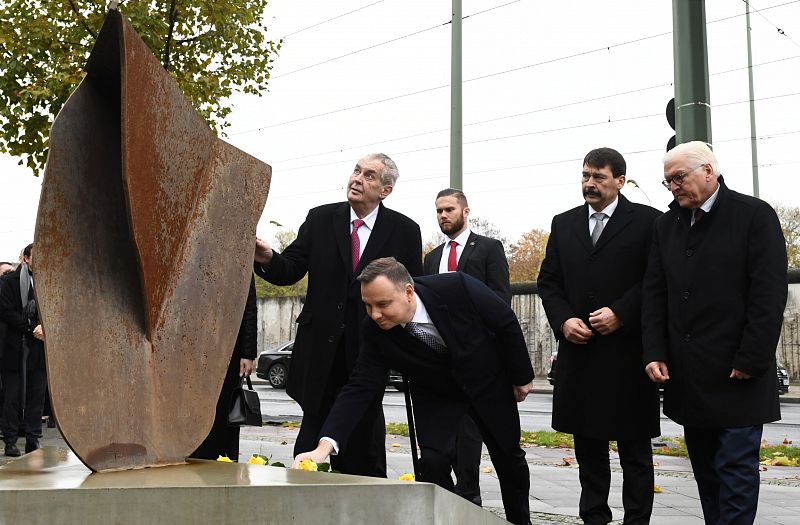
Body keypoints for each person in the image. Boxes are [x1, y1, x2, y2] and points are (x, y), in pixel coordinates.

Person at [292, 257, 534, 525]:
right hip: (436, 395)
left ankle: (520, 521)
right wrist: (324, 447)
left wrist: (521, 377)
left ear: (408, 292)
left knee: (508, 458)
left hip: (486, 382)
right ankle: (447, 519)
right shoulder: (374, 331)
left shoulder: (457, 287)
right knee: (432, 461)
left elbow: (505, 322)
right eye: (368, 305)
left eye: (383, 304)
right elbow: (360, 386)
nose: (374, 314)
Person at [642, 141, 788, 525]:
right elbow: (655, 294)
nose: (674, 187)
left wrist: (751, 359)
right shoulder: (665, 225)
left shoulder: (753, 216)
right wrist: (654, 351)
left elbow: (768, 294)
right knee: (706, 474)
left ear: (708, 171)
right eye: (667, 182)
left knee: (736, 473)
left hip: (737, 373)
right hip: (689, 376)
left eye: (679, 178)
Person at [254, 154, 423, 477]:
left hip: (368, 353)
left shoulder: (404, 230)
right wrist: (267, 257)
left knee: (363, 447)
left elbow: (411, 292)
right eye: (356, 171)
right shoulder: (320, 219)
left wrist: (408, 347)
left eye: (369, 176)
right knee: (308, 446)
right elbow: (290, 268)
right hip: (318, 354)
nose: (357, 179)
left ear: (385, 190)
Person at [537, 147, 662, 524]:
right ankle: (593, 517)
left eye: (599, 177)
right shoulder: (563, 223)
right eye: (585, 176)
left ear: (620, 181)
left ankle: (637, 519)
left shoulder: (648, 222)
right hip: (581, 355)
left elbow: (656, 280)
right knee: (588, 449)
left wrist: (622, 313)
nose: (589, 184)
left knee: (634, 452)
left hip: (628, 358)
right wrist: (563, 321)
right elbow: (549, 282)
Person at [423, 188, 510, 506]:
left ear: (465, 211)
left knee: (470, 429)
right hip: (439, 357)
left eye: (448, 209)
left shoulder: (488, 248)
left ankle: (469, 495)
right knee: (443, 428)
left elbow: (500, 300)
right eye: (438, 211)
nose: (443, 215)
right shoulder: (432, 257)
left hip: (476, 356)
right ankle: (444, 495)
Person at [190, 275, 257, 461]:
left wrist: (248, 352)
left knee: (225, 410)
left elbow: (248, 305)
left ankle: (223, 459)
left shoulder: (236, 252)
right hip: (195, 350)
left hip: (229, 349)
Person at [1, 245, 46, 457]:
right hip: (15, 348)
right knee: (12, 397)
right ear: (26, 258)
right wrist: (31, 328)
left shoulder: (48, 282)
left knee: (37, 395)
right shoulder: (9, 282)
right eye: (35, 257)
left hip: (39, 348)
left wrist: (43, 327)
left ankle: (33, 438)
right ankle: (10, 441)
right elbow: (7, 312)